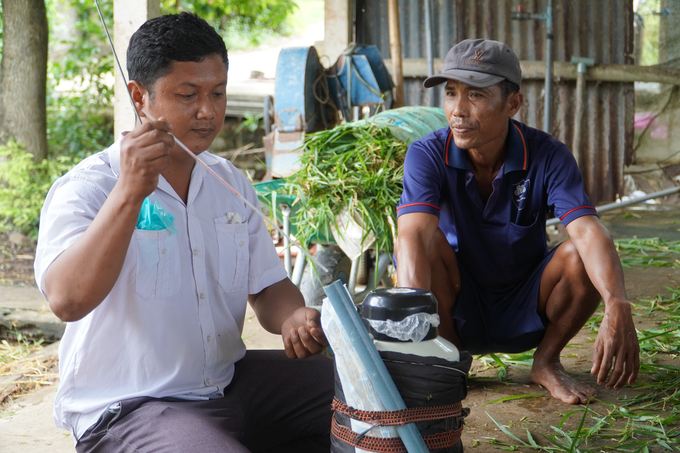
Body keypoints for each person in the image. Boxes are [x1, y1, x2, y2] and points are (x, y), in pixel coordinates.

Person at [35, 13, 333, 452]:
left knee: (380, 391)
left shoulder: (228, 181)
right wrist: (130, 193)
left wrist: (293, 318)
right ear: (140, 96)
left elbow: (268, 288)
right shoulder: (89, 189)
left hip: (228, 385)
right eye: (188, 94)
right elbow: (66, 300)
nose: (208, 111)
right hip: (132, 408)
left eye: (218, 93)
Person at [395, 38, 639, 405]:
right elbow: (412, 234)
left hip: (527, 303)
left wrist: (618, 304)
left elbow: (587, 231)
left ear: (513, 103)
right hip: (457, 307)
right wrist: (414, 335)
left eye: (475, 95)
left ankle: (545, 362)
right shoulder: (427, 153)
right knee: (421, 240)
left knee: (579, 255)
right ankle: (445, 365)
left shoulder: (548, 155)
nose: (457, 110)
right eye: (450, 93)